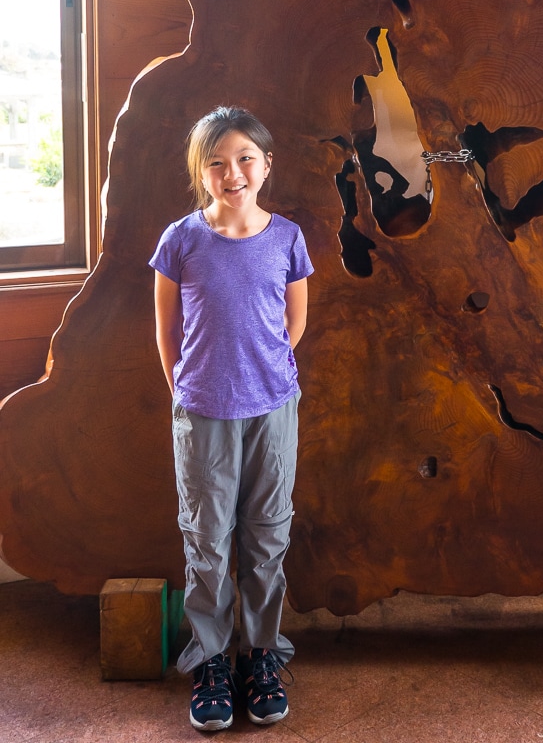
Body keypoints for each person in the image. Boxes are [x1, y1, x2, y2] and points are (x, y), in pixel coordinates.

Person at [150, 105, 313, 732]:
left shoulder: (289, 238)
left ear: (266, 165)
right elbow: (167, 329)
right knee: (208, 540)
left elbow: (293, 324)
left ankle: (262, 656)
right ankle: (213, 661)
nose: (232, 172)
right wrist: (186, 389)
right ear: (202, 172)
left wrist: (262, 373)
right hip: (203, 413)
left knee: (267, 535)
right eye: (216, 162)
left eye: (244, 158)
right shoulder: (181, 240)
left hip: (273, 407)